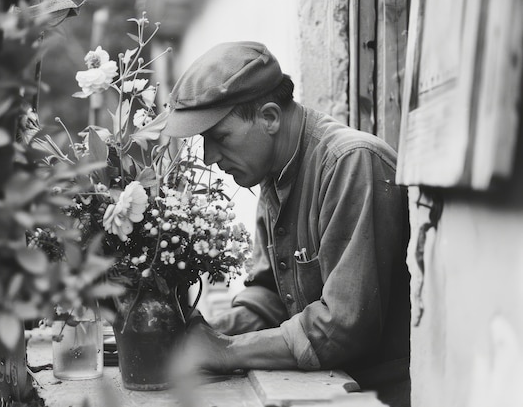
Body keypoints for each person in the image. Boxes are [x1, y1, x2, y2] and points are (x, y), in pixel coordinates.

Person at [163, 41, 411, 407]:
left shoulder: (352, 164)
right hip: (325, 391)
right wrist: (203, 331)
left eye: (219, 137)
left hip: (383, 397)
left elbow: (342, 328)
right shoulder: (272, 172)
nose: (210, 157)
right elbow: (271, 297)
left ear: (269, 118)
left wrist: (228, 350)